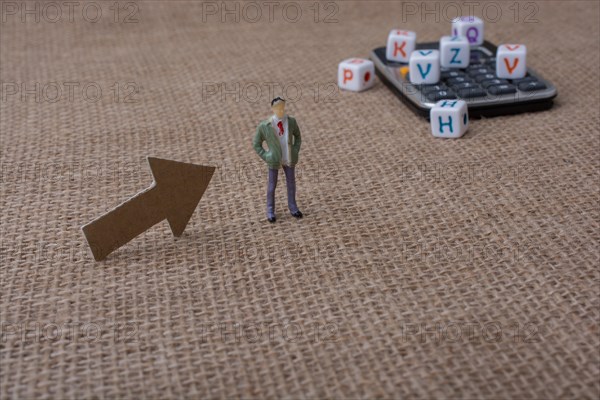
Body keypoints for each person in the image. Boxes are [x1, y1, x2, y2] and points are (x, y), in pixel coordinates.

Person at [252, 97, 303, 223]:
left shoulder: (291, 122)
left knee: (291, 183)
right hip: (274, 159)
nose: (280, 110)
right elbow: (256, 143)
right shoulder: (265, 126)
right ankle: (270, 210)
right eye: (277, 107)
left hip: (288, 157)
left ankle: (293, 207)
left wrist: (295, 150)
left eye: (282, 107)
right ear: (272, 109)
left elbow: (298, 137)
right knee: (272, 185)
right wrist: (266, 156)